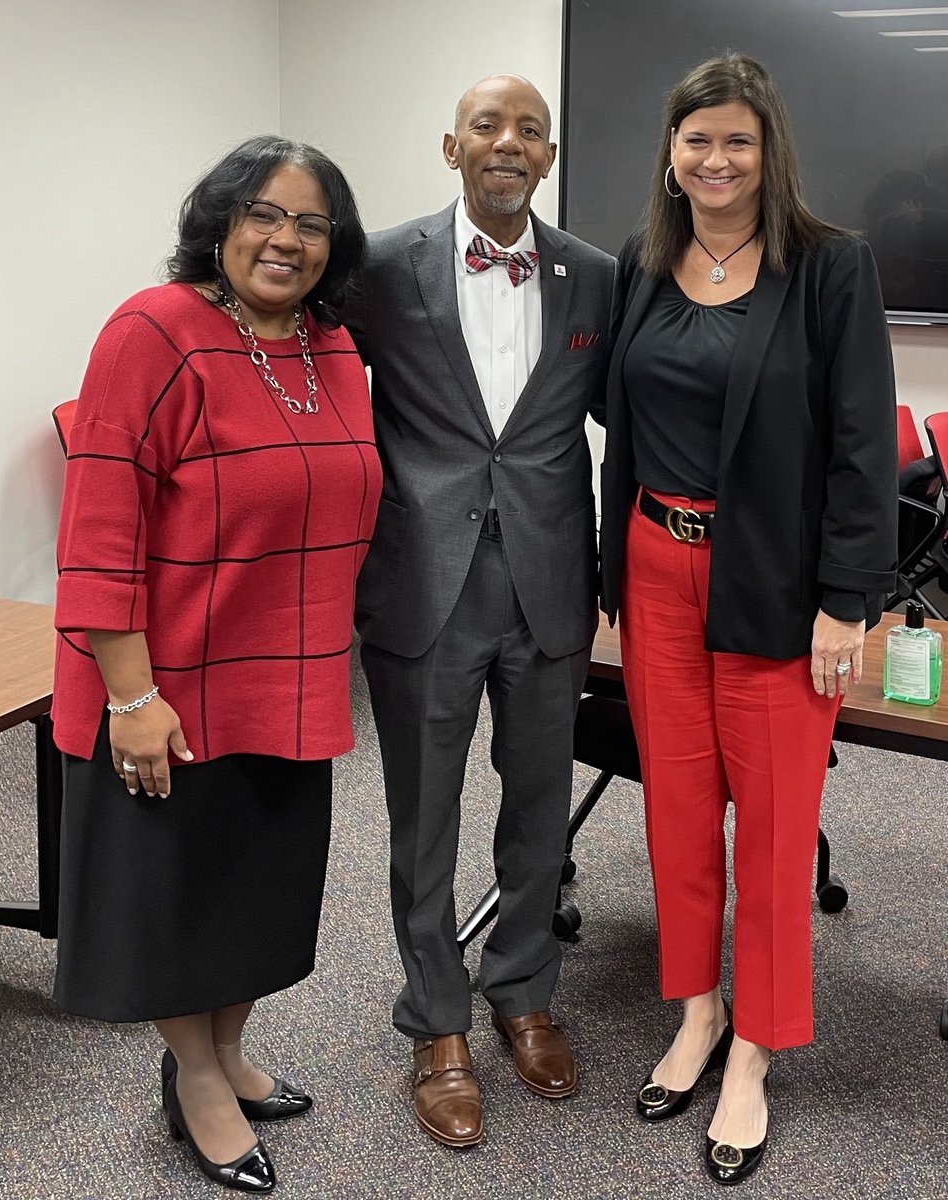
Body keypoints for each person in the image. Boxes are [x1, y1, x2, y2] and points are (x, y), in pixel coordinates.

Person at [52, 135, 381, 1194]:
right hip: (171, 684)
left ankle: (229, 1047)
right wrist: (131, 696)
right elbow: (100, 530)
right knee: (174, 896)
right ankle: (193, 1075)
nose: (286, 239)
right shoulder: (154, 334)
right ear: (220, 222)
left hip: (292, 674)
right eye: (263, 215)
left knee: (257, 891)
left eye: (312, 222)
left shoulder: (331, 347)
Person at [598, 54, 897, 1184]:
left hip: (775, 580)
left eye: (737, 141)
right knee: (678, 810)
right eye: (695, 140)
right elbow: (617, 420)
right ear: (670, 154)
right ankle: (696, 1008)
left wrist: (847, 599)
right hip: (654, 568)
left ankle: (756, 1054)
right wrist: (615, 575)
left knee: (774, 829)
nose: (715, 161)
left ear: (769, 151)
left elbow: (867, 445)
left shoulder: (829, 268)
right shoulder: (641, 262)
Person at [343, 74, 618, 1148]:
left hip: (550, 584)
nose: (510, 143)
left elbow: (636, 418)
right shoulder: (379, 265)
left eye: (531, 130)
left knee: (540, 808)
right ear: (452, 147)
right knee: (423, 815)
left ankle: (522, 990)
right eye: (489, 128)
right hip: (423, 580)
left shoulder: (594, 276)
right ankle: (437, 1021)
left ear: (548, 156)